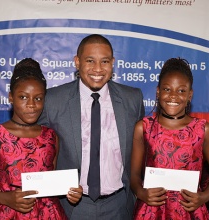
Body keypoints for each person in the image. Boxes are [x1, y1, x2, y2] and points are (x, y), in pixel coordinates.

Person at [38, 34, 145, 219]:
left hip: (119, 205)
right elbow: (36, 152)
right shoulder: (53, 100)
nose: (98, 69)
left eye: (104, 61)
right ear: (77, 62)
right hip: (71, 207)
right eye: (90, 61)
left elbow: (144, 150)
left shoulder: (132, 99)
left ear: (113, 63)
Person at [0, 58, 82, 219]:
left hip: (48, 214)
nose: (31, 104)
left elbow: (51, 182)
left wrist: (71, 192)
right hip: (8, 213)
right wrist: (6, 198)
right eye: (23, 97)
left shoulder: (51, 136)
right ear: (10, 97)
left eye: (38, 98)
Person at [130, 57, 209, 219]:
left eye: (181, 90)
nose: (173, 96)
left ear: (190, 95)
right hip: (152, 210)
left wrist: (204, 197)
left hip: (190, 211)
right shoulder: (144, 127)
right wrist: (141, 193)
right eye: (167, 89)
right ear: (158, 92)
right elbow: (133, 174)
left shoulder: (204, 130)